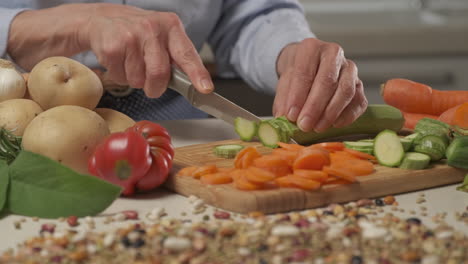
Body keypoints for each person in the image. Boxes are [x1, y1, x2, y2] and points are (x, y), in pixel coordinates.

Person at [0, 1, 367, 132]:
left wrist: (288, 52)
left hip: (177, 132)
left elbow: (249, 13)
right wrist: (26, 28)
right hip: (19, 128)